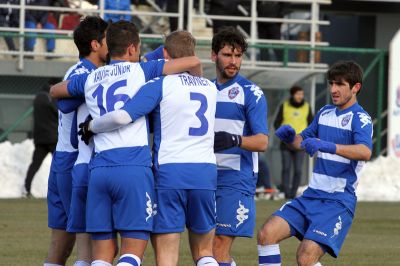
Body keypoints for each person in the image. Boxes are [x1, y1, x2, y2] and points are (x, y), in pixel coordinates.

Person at [50, 20, 202, 266]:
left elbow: (56, 91)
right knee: (131, 252)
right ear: (132, 49)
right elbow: (192, 62)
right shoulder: (142, 71)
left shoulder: (91, 77)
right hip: (132, 168)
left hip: (98, 169)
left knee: (98, 256)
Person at [257, 60, 373, 266]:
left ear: (356, 88)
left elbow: (364, 151)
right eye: (331, 84)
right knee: (267, 234)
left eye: (339, 84)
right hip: (311, 196)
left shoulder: (360, 119)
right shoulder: (324, 113)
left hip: (337, 202)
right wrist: (290, 138)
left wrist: (327, 145)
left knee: (306, 257)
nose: (333, 89)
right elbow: (302, 142)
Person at [43, 16, 109, 266]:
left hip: (64, 159)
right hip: (73, 162)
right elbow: (65, 102)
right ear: (95, 44)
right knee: (89, 247)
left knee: (61, 248)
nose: (110, 44)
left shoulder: (84, 71)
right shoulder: (85, 73)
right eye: (107, 39)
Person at [211, 26, 269, 265]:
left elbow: (263, 141)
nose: (233, 61)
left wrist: (235, 139)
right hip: (205, 176)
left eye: (238, 56)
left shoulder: (251, 93)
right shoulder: (205, 90)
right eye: (227, 55)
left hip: (236, 179)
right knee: (204, 250)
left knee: (217, 248)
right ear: (214, 56)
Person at [274, 85, 313, 199]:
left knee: (298, 169)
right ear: (292, 94)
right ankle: (286, 193)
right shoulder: (284, 106)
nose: (300, 96)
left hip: (300, 144)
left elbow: (311, 124)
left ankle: (293, 193)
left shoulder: (307, 107)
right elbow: (276, 123)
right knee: (286, 168)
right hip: (286, 143)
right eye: (298, 94)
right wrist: (283, 133)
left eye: (301, 94)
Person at [24, 78, 59, 197]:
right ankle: (60, 190)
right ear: (53, 85)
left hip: (39, 138)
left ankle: (26, 189)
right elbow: (58, 113)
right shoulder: (51, 97)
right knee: (60, 164)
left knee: (35, 164)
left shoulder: (38, 97)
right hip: (53, 137)